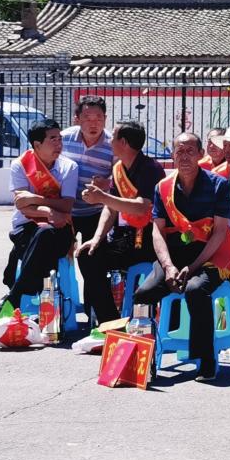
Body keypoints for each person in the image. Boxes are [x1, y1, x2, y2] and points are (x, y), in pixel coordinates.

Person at [133, 132, 230, 383]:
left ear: (201, 154)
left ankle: (206, 360)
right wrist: (168, 267)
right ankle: (144, 358)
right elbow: (157, 230)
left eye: (191, 151)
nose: (185, 157)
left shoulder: (219, 185)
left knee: (195, 289)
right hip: (174, 256)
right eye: (180, 151)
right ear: (172, 155)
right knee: (143, 294)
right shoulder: (163, 187)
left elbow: (220, 232)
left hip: (211, 255)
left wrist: (193, 266)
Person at [76, 121, 165, 325]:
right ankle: (110, 321)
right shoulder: (118, 169)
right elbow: (110, 208)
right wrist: (97, 238)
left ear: (123, 142)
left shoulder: (150, 169)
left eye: (113, 138)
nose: (109, 141)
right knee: (88, 255)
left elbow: (142, 207)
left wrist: (102, 197)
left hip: (150, 240)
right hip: (124, 238)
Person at [0, 120, 78, 312]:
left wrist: (35, 199)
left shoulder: (69, 167)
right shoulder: (20, 165)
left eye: (60, 139)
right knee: (43, 237)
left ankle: (15, 297)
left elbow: (66, 205)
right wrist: (48, 211)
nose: (59, 144)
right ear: (37, 144)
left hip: (60, 229)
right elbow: (22, 206)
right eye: (52, 139)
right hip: (26, 229)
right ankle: (33, 296)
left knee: (45, 235)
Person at [60, 96, 114, 253]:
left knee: (92, 261)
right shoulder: (63, 139)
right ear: (77, 119)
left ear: (105, 119)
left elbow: (120, 177)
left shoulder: (113, 144)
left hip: (96, 212)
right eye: (87, 118)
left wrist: (107, 184)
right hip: (64, 211)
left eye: (98, 118)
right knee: (59, 258)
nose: (93, 124)